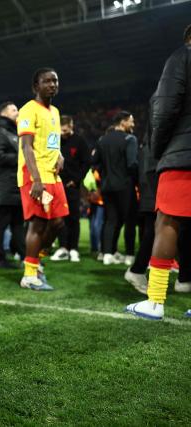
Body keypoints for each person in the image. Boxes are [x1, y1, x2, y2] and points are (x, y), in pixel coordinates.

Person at [126, 25, 191, 320]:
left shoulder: (182, 57)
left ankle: (155, 301)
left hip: (182, 155)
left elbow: (164, 110)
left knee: (167, 222)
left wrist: (160, 149)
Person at [17, 68, 68, 291]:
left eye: (55, 80)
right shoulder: (28, 110)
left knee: (58, 223)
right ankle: (29, 275)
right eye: (46, 81)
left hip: (53, 175)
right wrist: (36, 179)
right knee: (38, 224)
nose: (52, 84)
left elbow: (52, 141)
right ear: (36, 86)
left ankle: (36, 261)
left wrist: (60, 155)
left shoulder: (55, 112)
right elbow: (26, 146)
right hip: (34, 174)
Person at [91, 111, 138, 265]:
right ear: (123, 122)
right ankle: (130, 255)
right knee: (129, 220)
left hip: (107, 186)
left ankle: (107, 254)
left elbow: (94, 162)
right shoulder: (130, 139)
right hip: (125, 185)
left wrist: (105, 175)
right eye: (131, 121)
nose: (133, 124)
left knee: (110, 220)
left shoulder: (102, 140)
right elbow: (132, 164)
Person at [0, 101, 25, 269]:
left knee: (18, 222)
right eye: (14, 109)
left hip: (15, 185)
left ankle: (25, 256)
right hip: (4, 186)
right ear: (3, 113)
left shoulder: (13, 132)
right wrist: (21, 159)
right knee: (1, 222)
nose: (17, 112)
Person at [50, 115, 90, 262]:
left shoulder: (79, 141)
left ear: (71, 127)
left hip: (72, 186)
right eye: (61, 130)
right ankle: (63, 248)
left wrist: (76, 180)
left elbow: (87, 163)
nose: (63, 133)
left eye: (66, 131)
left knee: (73, 217)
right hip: (56, 184)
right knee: (59, 218)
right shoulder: (54, 139)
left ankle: (73, 249)